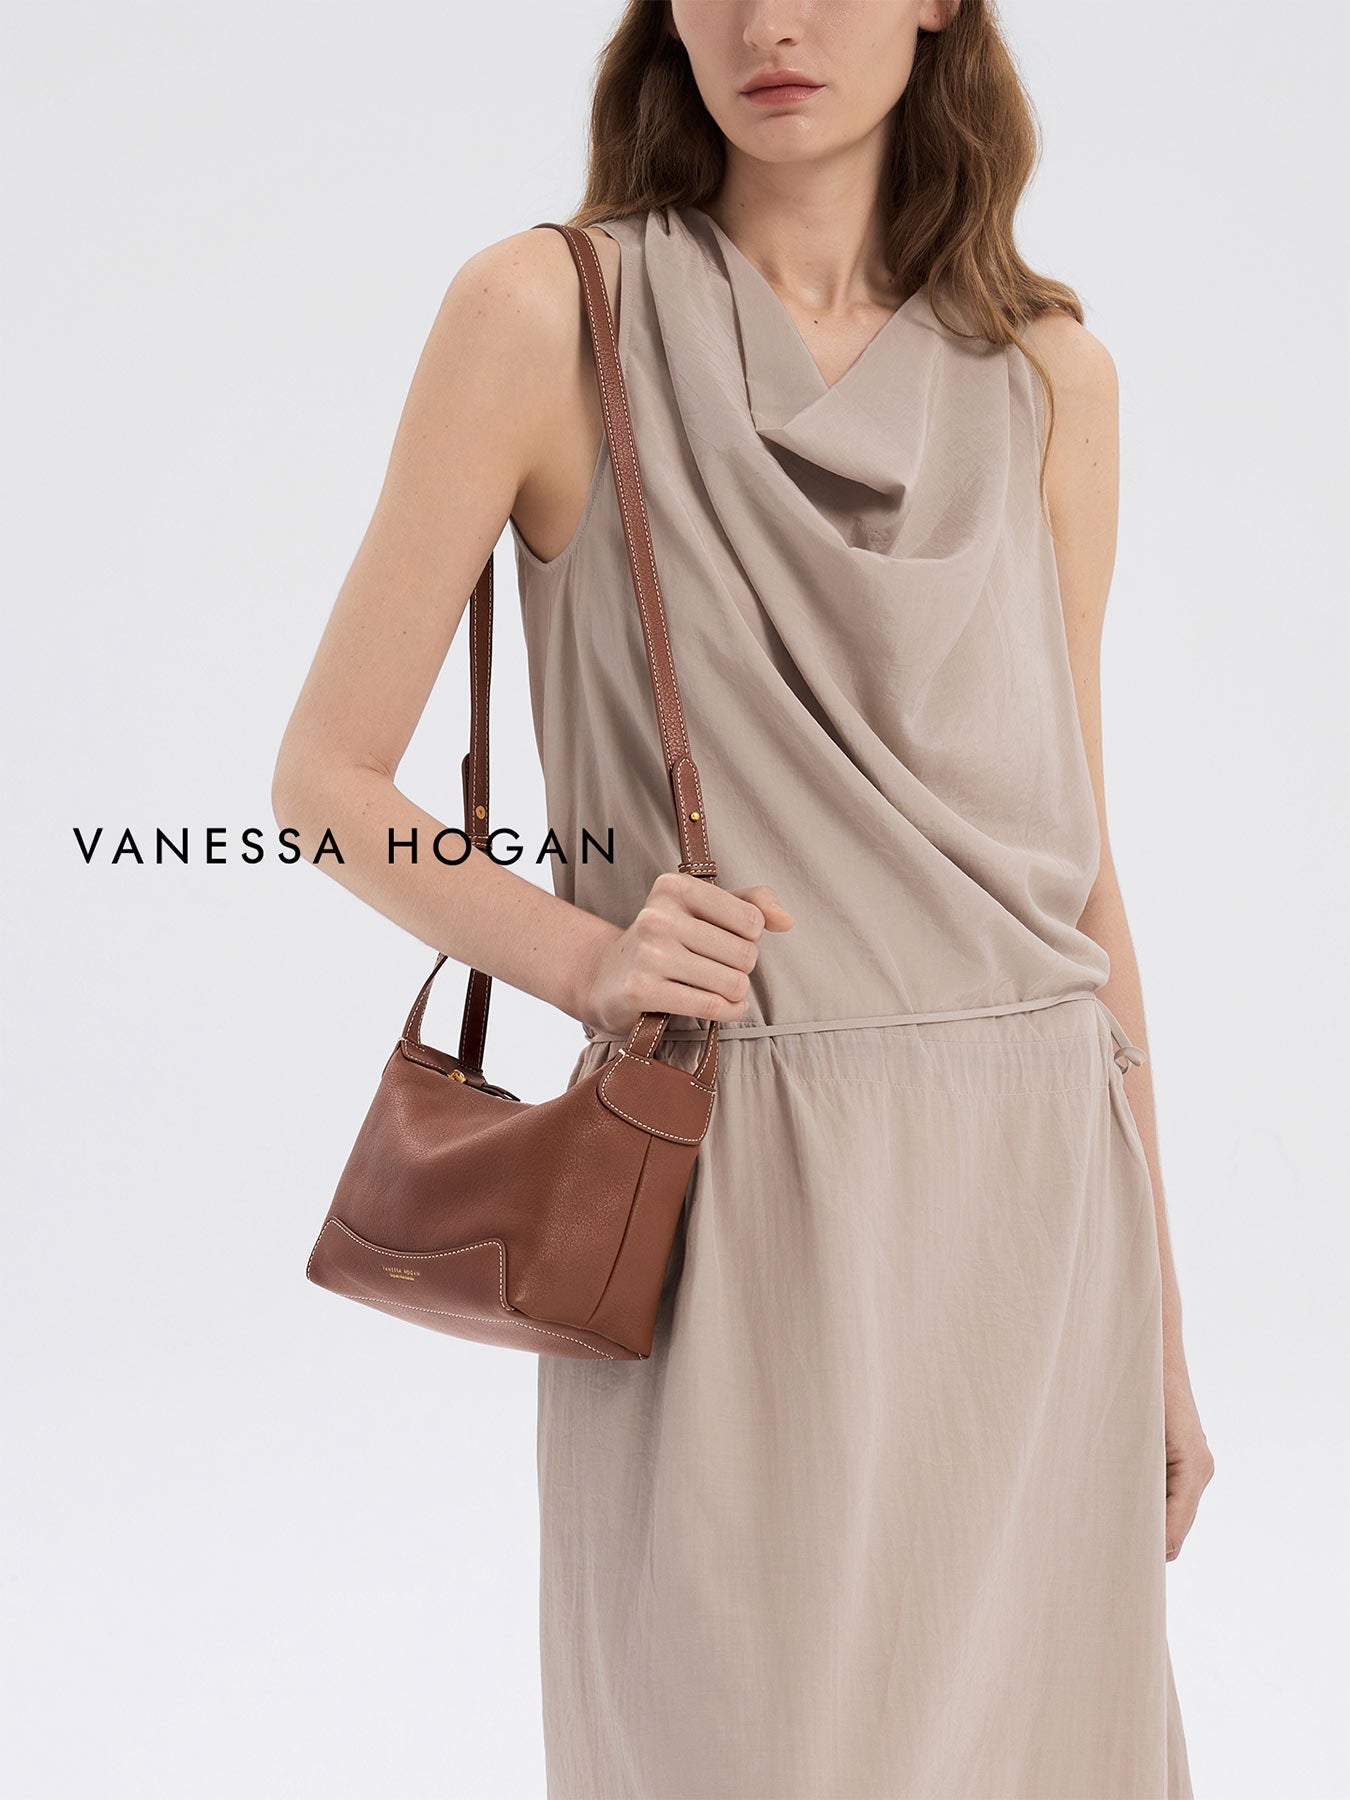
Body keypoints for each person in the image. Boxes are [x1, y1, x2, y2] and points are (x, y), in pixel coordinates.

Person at [273, 1, 1215, 1793]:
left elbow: (1079, 869)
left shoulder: (1050, 377)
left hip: (1036, 1209)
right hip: (736, 1187)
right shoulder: (546, 313)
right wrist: (584, 958)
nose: (771, 21)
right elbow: (326, 787)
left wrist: (1160, 1331)